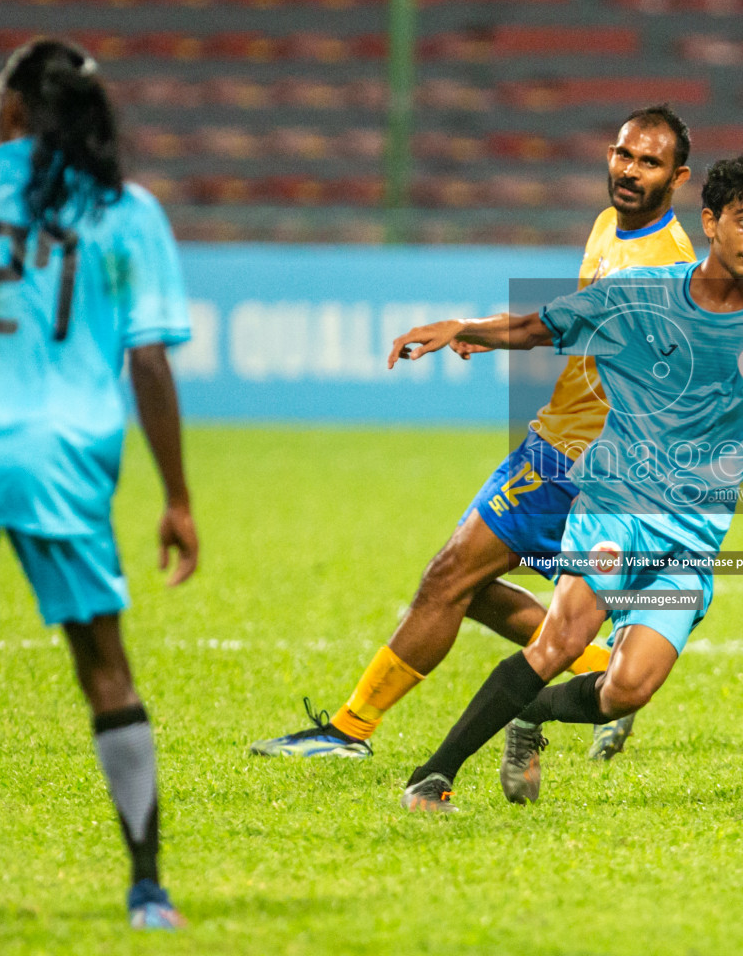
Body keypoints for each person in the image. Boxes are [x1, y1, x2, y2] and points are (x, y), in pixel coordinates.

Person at [387, 153, 743, 812]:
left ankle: (530, 718)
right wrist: (465, 329)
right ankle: (433, 776)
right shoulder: (641, 295)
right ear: (711, 221)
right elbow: (540, 325)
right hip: (612, 510)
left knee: (626, 690)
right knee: (562, 641)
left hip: (691, 541)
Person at [249, 106, 697, 761]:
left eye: (649, 162)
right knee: (469, 587)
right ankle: (599, 667)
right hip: (560, 444)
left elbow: (546, 328)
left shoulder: (660, 266)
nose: (630, 171)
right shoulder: (611, 226)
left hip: (577, 461)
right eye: (623, 155)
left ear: (677, 177)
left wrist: (466, 328)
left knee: (449, 577)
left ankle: (350, 731)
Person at [0, 38, 197, 932]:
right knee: (105, 671)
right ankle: (145, 888)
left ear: (14, 108)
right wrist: (175, 497)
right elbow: (148, 362)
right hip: (66, 454)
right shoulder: (127, 210)